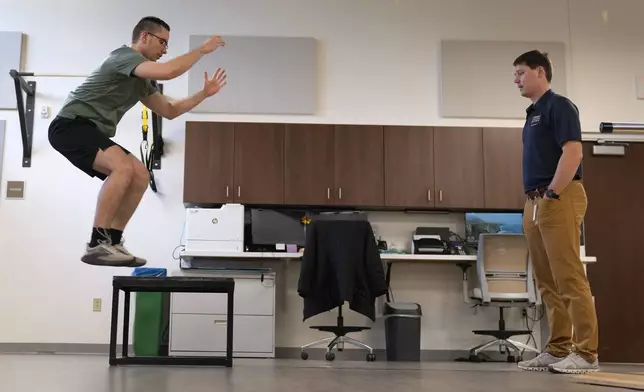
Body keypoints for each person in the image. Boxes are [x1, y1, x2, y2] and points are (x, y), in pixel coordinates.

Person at [48, 16, 227, 267]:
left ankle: (112, 241)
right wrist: (202, 50)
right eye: (162, 43)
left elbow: (169, 110)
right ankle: (97, 242)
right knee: (121, 166)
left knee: (140, 174)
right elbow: (169, 71)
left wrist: (203, 94)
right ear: (144, 36)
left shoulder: (141, 80)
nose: (165, 50)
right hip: (69, 125)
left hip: (87, 129)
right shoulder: (123, 57)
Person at [513, 50, 599, 374]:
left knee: (569, 277)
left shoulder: (559, 106)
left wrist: (551, 193)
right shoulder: (531, 113)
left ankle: (586, 353)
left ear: (540, 72)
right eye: (515, 75)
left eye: (521, 72)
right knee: (546, 281)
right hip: (534, 202)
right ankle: (558, 347)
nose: (516, 80)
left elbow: (573, 153)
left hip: (557, 197)